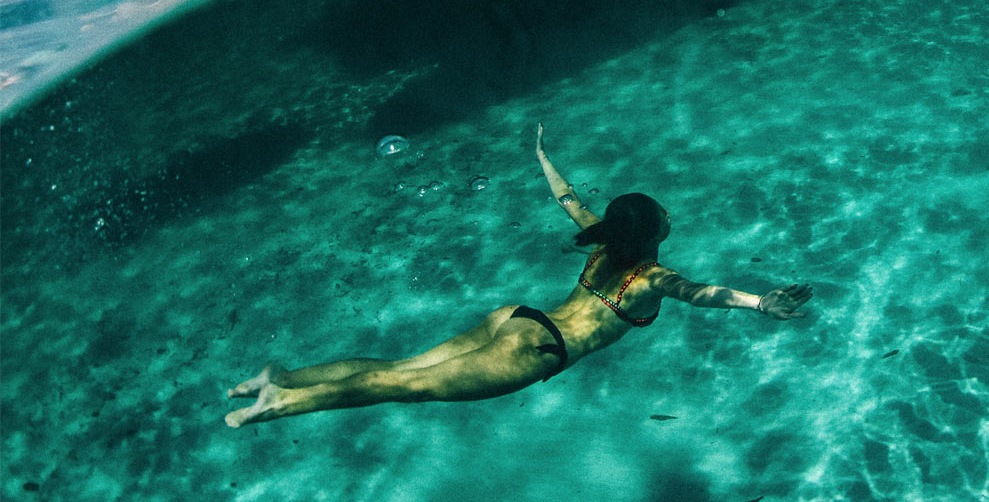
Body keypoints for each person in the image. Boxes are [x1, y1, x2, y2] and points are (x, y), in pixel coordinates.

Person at [224, 125, 811, 427]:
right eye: (665, 216)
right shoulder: (651, 277)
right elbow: (704, 295)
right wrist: (762, 304)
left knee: (398, 367)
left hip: (517, 317)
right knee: (406, 386)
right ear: (654, 234)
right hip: (537, 347)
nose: (669, 217)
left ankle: (283, 376)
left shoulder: (601, 244)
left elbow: (566, 199)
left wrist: (539, 154)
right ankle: (280, 403)